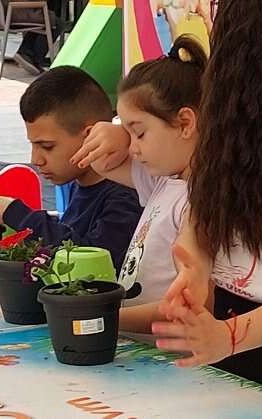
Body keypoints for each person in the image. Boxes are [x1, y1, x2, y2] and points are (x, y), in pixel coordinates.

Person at [152, 0, 262, 401]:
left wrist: (230, 336)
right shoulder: (235, 117)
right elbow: (203, 209)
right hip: (233, 326)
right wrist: (197, 267)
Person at [73, 35, 206, 336]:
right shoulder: (164, 179)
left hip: (165, 352)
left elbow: (190, 305)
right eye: (129, 134)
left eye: (140, 133)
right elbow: (102, 162)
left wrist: (101, 319)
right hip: (138, 342)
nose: (133, 148)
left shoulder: (199, 200)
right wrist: (115, 132)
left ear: (185, 123)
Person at [0, 66, 141, 274]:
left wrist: (20, 216)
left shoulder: (127, 195)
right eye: (33, 145)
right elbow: (71, 236)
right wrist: (10, 221)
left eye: (47, 146)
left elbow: (93, 261)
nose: (35, 159)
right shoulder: (79, 183)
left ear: (89, 136)